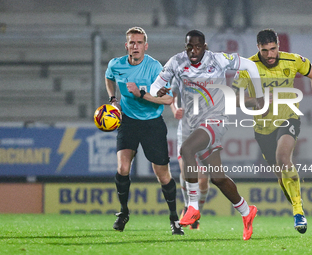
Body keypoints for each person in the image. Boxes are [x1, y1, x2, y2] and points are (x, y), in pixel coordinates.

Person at [127, 30, 265, 240]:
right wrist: (158, 92)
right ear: (185, 47)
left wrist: (259, 94)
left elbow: (250, 65)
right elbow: (155, 87)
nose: (193, 51)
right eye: (189, 47)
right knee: (218, 178)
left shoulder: (218, 59)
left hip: (215, 119)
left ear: (205, 47)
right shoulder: (176, 62)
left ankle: (192, 207)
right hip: (193, 123)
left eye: (197, 47)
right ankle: (247, 211)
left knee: (186, 149)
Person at [233, 28, 312, 234]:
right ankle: (296, 205)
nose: (270, 55)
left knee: (284, 158)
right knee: (280, 175)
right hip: (262, 127)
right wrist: (255, 101)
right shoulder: (247, 66)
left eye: (273, 49)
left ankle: (298, 212)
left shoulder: (293, 61)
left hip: (288, 118)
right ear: (258, 48)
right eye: (264, 50)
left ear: (278, 46)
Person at [105, 26, 184, 235]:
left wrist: (142, 94)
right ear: (126, 46)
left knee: (163, 175)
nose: (135, 46)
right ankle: (123, 212)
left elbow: (168, 99)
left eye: (139, 42)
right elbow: (109, 77)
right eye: (132, 42)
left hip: (152, 123)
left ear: (145, 46)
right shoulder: (116, 64)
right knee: (123, 168)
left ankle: (174, 218)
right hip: (128, 121)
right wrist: (113, 99)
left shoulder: (155, 68)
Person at [169, 80, 209, 230]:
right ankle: (188, 208)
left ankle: (197, 214)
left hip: (206, 133)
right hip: (185, 134)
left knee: (203, 180)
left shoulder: (213, 73)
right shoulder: (180, 73)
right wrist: (174, 110)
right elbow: (171, 96)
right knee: (186, 171)